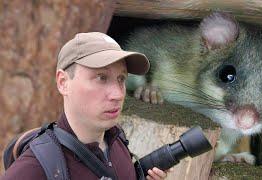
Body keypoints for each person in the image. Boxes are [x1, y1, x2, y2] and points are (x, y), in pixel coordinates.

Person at [3, 32, 170, 180]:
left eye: (121, 79)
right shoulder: (34, 168)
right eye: (101, 78)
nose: (118, 94)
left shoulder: (117, 139)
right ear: (63, 83)